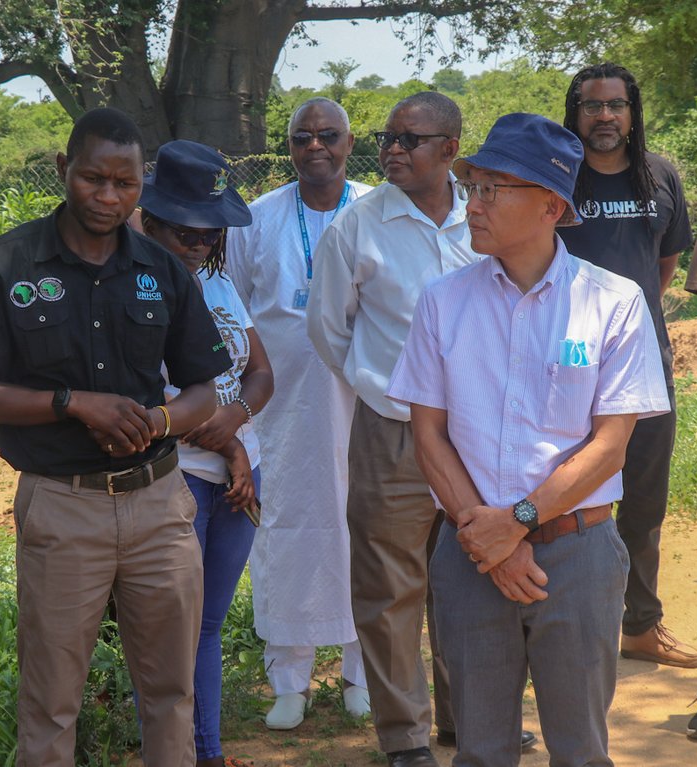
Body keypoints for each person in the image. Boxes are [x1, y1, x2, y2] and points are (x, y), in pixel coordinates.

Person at [0, 108, 231, 766]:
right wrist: (74, 404)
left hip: (160, 507)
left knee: (170, 691)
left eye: (125, 184)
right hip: (61, 505)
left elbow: (204, 391)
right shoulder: (9, 262)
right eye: (93, 179)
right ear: (63, 170)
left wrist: (156, 421)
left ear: (143, 186)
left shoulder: (163, 269)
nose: (108, 197)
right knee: (51, 701)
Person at [390, 111, 669, 766]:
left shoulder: (614, 302)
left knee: (579, 749)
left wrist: (516, 521)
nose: (473, 204)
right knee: (480, 750)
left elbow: (609, 445)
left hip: (578, 556)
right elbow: (428, 434)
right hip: (468, 554)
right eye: (473, 187)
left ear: (550, 204)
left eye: (492, 189)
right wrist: (486, 538)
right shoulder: (442, 301)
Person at [306, 91, 478, 767]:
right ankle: (405, 736)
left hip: (477, 437)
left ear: (451, 150)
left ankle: (470, 718)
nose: (394, 150)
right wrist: (382, 384)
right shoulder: (358, 226)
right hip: (393, 432)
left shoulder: (485, 216)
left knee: (472, 578)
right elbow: (328, 328)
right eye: (390, 138)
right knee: (389, 587)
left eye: (412, 139)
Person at [225, 97, 372, 729]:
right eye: (302, 137)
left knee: (364, 528)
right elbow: (233, 310)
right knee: (285, 534)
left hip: (365, 405)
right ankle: (290, 679)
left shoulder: (376, 211)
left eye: (328, 135)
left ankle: (363, 673)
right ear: (288, 146)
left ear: (349, 142)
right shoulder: (255, 221)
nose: (316, 146)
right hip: (279, 413)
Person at [558, 63, 697, 669]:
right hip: (565, 360)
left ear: (631, 112)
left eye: (616, 105)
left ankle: (640, 625)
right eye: (593, 106)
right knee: (566, 495)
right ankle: (565, 626)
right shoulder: (557, 176)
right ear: (576, 112)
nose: (605, 116)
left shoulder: (659, 173)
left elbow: (663, 262)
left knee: (643, 498)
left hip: (644, 360)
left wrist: (631, 323)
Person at [138, 139, 274, 766]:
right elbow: (142, 396)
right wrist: (231, 449)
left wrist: (238, 430)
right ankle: (180, 753)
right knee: (175, 630)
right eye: (186, 231)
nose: (199, 243)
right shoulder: (135, 287)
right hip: (179, 479)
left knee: (209, 627)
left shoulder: (217, 283)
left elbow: (261, 372)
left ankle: (208, 751)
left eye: (210, 231)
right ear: (154, 221)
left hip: (231, 481)